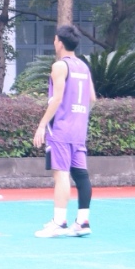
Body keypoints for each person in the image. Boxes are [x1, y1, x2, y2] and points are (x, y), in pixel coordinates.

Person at [31, 24, 96, 239]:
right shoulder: (84, 67)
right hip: (78, 130)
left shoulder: (60, 66)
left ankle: (59, 222)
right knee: (81, 174)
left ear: (59, 42)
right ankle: (82, 222)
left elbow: (57, 98)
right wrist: (79, 116)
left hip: (60, 128)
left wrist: (42, 125)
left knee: (61, 175)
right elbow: (92, 99)